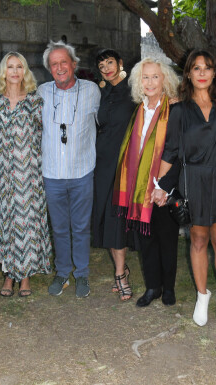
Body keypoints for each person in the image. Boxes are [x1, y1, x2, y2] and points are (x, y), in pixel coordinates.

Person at [155, 50, 216, 326]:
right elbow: (170, 152)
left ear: (215, 72)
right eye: (196, 68)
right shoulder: (179, 110)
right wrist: (159, 186)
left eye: (207, 67)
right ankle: (202, 296)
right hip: (193, 181)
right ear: (189, 74)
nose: (202, 73)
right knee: (198, 240)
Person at [113, 55, 181, 308]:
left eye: (155, 76)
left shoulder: (175, 109)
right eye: (145, 77)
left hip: (164, 187)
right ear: (138, 82)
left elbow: (177, 152)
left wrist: (163, 186)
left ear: (165, 80)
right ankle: (153, 286)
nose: (150, 82)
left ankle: (169, 288)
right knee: (146, 239)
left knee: (167, 238)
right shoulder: (138, 111)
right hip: (138, 189)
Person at [38, 40, 100, 298]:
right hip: (52, 174)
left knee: (81, 227)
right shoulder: (40, 92)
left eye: (64, 62)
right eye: (54, 64)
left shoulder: (93, 91)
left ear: (74, 64)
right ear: (49, 69)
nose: (60, 67)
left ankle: (82, 275)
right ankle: (62, 272)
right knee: (60, 228)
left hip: (82, 171)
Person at [0, 52, 52, 297]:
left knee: (27, 223)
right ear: (3, 72)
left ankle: (25, 275)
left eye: (19, 67)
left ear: (25, 71)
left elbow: (44, 136)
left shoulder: (35, 101)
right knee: (6, 221)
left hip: (29, 171)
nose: (14, 71)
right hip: (4, 171)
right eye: (10, 67)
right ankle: (8, 274)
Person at [92, 49, 136, 301]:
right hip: (102, 163)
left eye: (110, 63)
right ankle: (121, 270)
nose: (106, 68)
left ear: (120, 63)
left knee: (118, 217)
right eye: (101, 66)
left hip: (126, 164)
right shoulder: (101, 92)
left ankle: (120, 272)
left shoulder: (134, 90)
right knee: (107, 215)